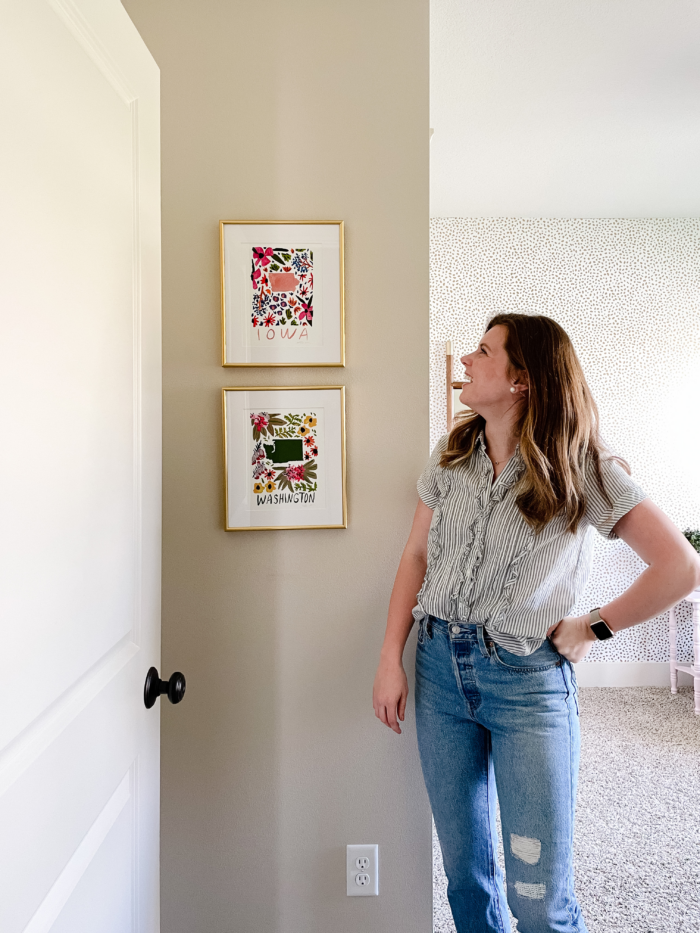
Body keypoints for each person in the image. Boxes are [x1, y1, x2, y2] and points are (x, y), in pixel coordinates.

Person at [372, 314, 700, 933]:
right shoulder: (451, 455)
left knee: (537, 898)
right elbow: (415, 556)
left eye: (483, 351)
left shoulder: (583, 465)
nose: (466, 361)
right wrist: (391, 656)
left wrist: (593, 626)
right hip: (440, 673)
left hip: (528, 684)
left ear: (522, 378)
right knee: (467, 882)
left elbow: (681, 567)